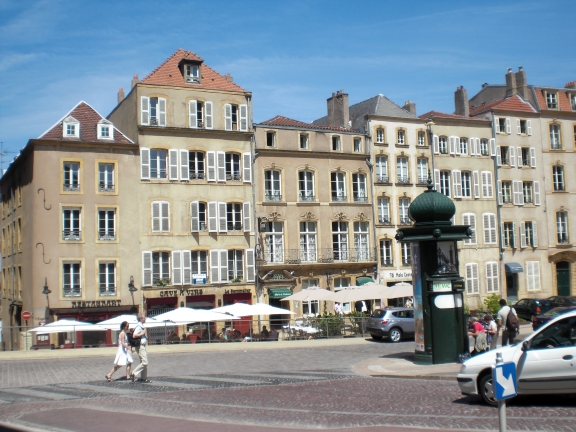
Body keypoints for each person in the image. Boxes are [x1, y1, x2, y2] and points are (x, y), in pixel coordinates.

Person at [130, 313, 151, 383]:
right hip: (140, 346)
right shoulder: (139, 326)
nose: (145, 319)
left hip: (142, 346)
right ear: (141, 319)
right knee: (145, 362)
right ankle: (133, 373)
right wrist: (142, 333)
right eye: (144, 318)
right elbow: (134, 335)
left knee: (143, 362)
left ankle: (143, 378)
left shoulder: (141, 326)